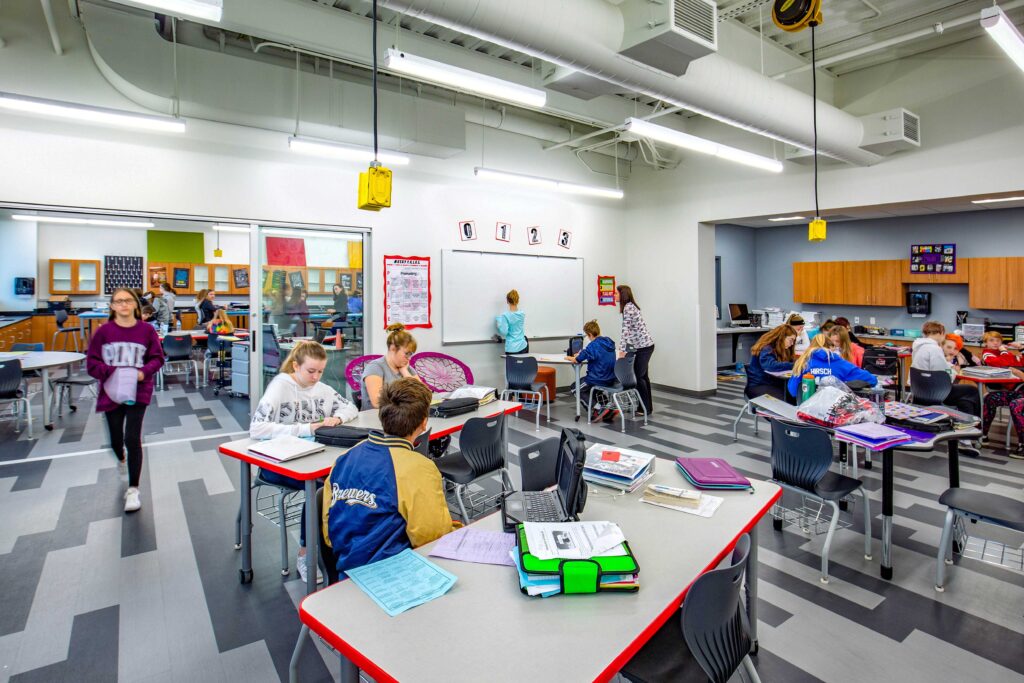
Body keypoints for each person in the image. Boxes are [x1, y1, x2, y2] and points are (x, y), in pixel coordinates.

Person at [323, 377, 457, 577]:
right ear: (423, 423)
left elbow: (328, 532)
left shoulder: (345, 457)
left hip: (346, 568)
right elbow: (433, 538)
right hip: (394, 574)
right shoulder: (418, 468)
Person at [250, 340, 359, 582]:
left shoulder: (321, 389)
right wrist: (306, 427)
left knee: (339, 480)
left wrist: (337, 419)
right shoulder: (281, 386)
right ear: (296, 366)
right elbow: (257, 428)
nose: (316, 377)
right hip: (279, 463)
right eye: (311, 371)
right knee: (321, 488)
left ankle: (336, 543)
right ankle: (305, 553)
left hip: (310, 456)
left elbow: (350, 407)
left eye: (320, 371)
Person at [86, 287, 165, 513]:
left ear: (135, 305)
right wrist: (111, 371)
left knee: (133, 438)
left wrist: (143, 372)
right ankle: (121, 458)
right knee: (115, 440)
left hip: (138, 391)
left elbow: (157, 358)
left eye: (128, 301)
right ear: (112, 306)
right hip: (111, 392)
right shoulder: (103, 333)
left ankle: (133, 489)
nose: (123, 305)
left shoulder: (147, 330)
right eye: (118, 301)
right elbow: (92, 363)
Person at [910, 320, 980, 417]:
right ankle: (975, 423)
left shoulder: (918, 347)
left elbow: (934, 367)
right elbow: (943, 374)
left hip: (919, 390)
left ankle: (966, 419)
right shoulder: (935, 349)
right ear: (941, 333)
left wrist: (948, 365)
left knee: (965, 400)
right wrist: (953, 371)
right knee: (972, 390)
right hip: (936, 391)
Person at [787, 333, 877, 398]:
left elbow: (793, 392)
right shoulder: (840, 363)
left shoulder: (802, 362)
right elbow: (871, 380)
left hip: (806, 411)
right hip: (833, 412)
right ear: (830, 347)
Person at [361, 323, 424, 409]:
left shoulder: (406, 367)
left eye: (411, 354)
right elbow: (377, 402)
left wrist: (405, 372)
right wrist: (410, 398)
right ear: (392, 348)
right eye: (406, 354)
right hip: (377, 418)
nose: (409, 358)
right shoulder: (375, 367)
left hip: (402, 416)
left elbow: (423, 394)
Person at [566, 319, 617, 420]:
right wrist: (582, 353)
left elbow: (577, 360)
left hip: (597, 378)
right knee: (592, 389)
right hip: (610, 378)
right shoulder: (608, 342)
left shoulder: (593, 345)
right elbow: (593, 354)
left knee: (575, 387)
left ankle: (597, 409)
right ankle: (608, 409)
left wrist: (569, 357)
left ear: (589, 334)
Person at [617, 284, 655, 415]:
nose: (614, 296)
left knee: (639, 377)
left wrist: (622, 350)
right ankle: (647, 407)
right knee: (643, 376)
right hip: (642, 346)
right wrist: (628, 349)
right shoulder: (631, 306)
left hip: (644, 347)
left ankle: (644, 408)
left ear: (622, 295)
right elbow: (632, 333)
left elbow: (626, 331)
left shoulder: (628, 308)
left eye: (616, 294)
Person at [745, 325, 797, 401]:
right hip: (759, 385)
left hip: (772, 383)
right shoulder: (766, 348)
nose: (792, 343)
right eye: (791, 340)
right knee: (787, 400)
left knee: (794, 396)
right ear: (781, 337)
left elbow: (789, 361)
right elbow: (770, 366)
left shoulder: (781, 348)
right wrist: (795, 365)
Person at [495, 289, 528, 355]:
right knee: (523, 365)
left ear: (507, 301)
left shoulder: (505, 315)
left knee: (511, 366)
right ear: (517, 300)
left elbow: (504, 332)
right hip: (523, 345)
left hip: (512, 348)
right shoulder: (522, 314)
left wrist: (498, 324)